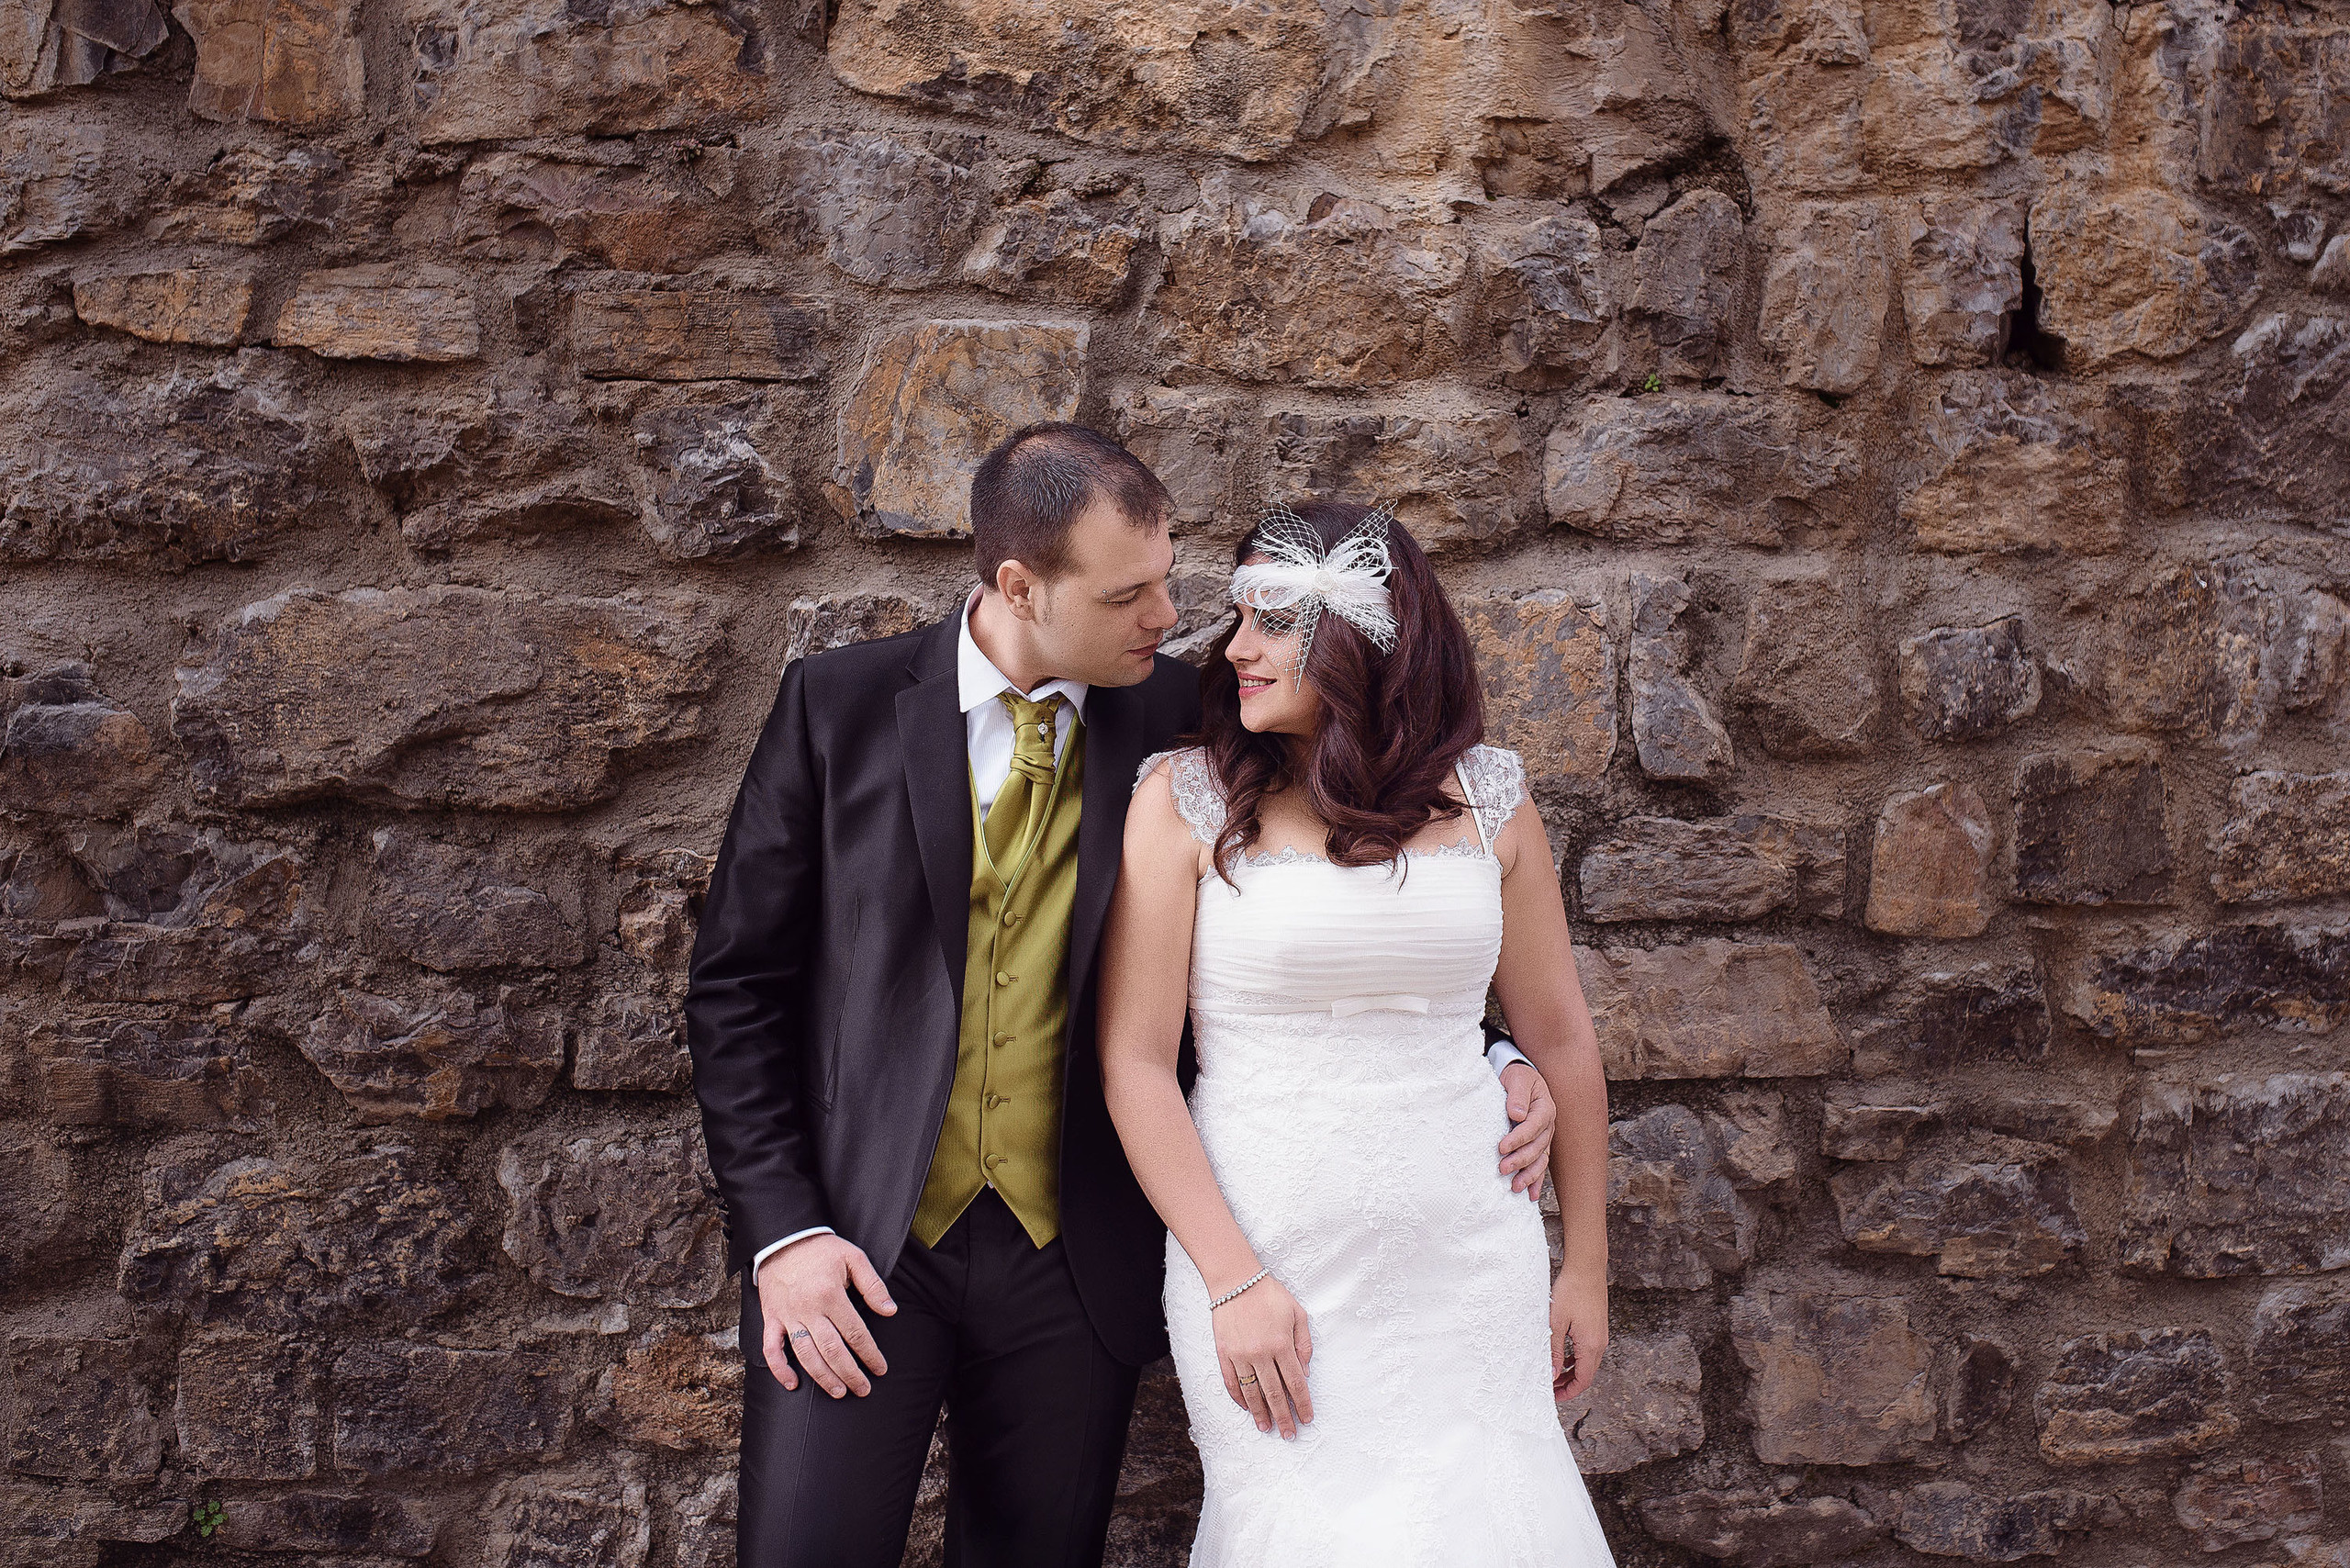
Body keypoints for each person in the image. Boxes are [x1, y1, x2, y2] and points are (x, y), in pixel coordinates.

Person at [683, 425, 1562, 1568]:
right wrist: (785, 1233)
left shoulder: (1184, 730)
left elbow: (1346, 906)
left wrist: (1492, 1051)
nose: (1169, 619)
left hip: (1074, 1265)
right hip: (852, 1252)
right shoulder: (836, 706)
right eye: (1130, 593)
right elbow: (736, 989)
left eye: (1167, 583)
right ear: (1018, 586)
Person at [1099, 499, 1618, 1566]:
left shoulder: (1489, 800)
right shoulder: (1184, 800)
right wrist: (1232, 1279)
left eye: (1271, 621)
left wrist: (1587, 1269)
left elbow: (1560, 1037)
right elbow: (1134, 1062)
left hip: (1471, 1257)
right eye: (1236, 617)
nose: (1234, 646)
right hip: (1267, 1259)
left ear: (1363, 638)